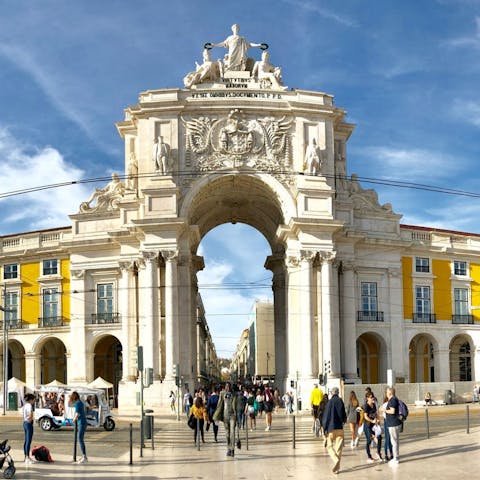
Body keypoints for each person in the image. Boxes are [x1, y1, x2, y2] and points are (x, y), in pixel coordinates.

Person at [322, 387, 347, 475]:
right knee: (339, 448)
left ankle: (335, 460)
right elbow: (344, 413)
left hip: (331, 429)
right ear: (338, 393)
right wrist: (344, 421)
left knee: (329, 446)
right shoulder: (340, 401)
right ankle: (337, 468)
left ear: (332, 393)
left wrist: (324, 428)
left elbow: (326, 416)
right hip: (339, 427)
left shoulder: (330, 402)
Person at [213, 382, 238, 457]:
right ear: (225, 387)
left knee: (232, 432)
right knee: (227, 433)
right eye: (227, 386)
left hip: (232, 415)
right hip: (225, 416)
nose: (228, 387)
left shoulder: (234, 394)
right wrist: (216, 415)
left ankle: (232, 449)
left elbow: (235, 405)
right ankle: (228, 449)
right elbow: (219, 404)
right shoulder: (222, 393)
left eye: (229, 386)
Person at [362, 392, 382, 463]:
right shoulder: (366, 406)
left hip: (374, 426)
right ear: (367, 398)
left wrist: (378, 419)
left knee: (379, 438)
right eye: (371, 397)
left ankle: (378, 452)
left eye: (372, 396)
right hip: (367, 426)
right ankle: (369, 456)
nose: (372, 398)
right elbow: (365, 417)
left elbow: (376, 414)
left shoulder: (374, 405)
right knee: (369, 440)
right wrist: (372, 421)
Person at [385, 386, 402, 467]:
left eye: (387, 392)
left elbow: (392, 411)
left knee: (394, 441)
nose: (386, 394)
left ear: (390, 393)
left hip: (393, 424)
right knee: (396, 441)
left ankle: (395, 458)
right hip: (395, 423)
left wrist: (384, 410)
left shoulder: (392, 400)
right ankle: (396, 457)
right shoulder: (395, 399)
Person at [70, 391, 88, 464]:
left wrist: (73, 420)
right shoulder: (80, 402)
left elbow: (77, 413)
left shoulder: (77, 403)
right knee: (80, 439)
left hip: (81, 423)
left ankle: (84, 456)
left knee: (80, 439)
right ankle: (84, 456)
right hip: (83, 422)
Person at [23, 393, 36, 464]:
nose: (34, 401)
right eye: (34, 400)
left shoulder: (25, 405)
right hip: (28, 424)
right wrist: (31, 419)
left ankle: (25, 457)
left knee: (26, 441)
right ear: (31, 399)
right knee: (28, 441)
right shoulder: (30, 405)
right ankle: (27, 458)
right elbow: (31, 414)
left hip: (25, 423)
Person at [381, 393, 393, 461]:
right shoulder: (389, 404)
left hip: (387, 421)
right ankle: (390, 454)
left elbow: (383, 415)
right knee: (389, 438)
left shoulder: (385, 404)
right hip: (389, 421)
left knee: (387, 438)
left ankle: (386, 454)